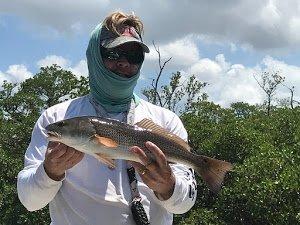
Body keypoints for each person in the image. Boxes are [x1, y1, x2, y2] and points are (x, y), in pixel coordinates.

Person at [17, 11, 197, 225]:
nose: (124, 63)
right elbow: (30, 201)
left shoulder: (166, 121)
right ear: (94, 55)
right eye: (113, 54)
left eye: (134, 56)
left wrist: (169, 185)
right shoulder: (56, 117)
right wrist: (49, 171)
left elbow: (185, 203)